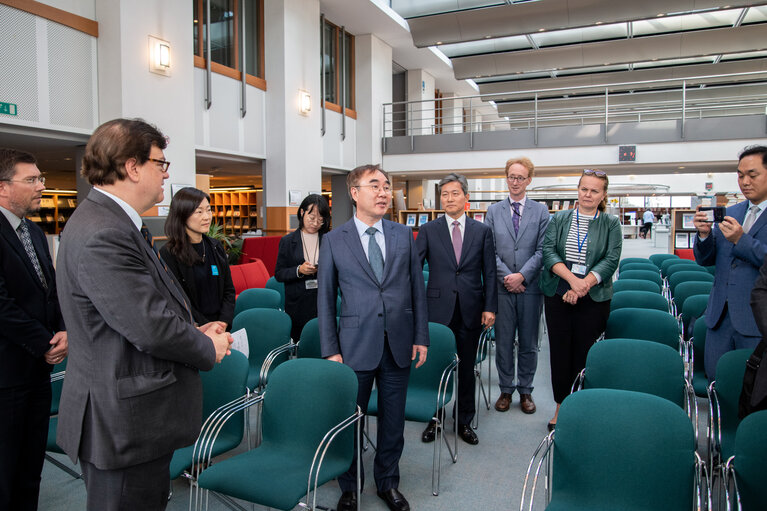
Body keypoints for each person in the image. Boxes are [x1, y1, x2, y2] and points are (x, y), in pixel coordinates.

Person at [55, 118, 232, 511]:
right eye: (161, 164)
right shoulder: (106, 232)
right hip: (123, 419)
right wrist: (206, 345)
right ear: (133, 167)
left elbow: (136, 311)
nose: (165, 174)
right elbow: (150, 328)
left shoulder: (113, 223)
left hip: (128, 410)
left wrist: (191, 327)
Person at [318, 164, 428, 511]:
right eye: (374, 186)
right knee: (350, 419)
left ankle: (388, 482)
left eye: (386, 186)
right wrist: (330, 350)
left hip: (398, 342)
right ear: (354, 193)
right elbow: (324, 300)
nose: (383, 192)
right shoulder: (334, 239)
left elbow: (416, 291)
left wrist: (421, 336)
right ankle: (350, 485)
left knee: (393, 422)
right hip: (353, 345)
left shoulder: (402, 235)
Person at [0, 149, 67, 511]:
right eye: (32, 180)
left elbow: (51, 291)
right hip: (7, 374)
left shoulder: (37, 233)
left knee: (30, 467)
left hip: (38, 372)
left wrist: (64, 330)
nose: (42, 186)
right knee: (5, 469)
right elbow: (2, 305)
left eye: (41, 178)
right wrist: (44, 341)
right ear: (2, 188)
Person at [416, 173, 496, 446]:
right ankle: (434, 418)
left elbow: (490, 273)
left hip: (471, 308)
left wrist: (490, 307)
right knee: (436, 366)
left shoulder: (482, 231)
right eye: (444, 194)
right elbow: (414, 270)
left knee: (465, 367)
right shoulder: (428, 230)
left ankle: (463, 421)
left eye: (454, 193)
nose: (449, 199)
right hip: (437, 309)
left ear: (466, 197)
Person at [540, 169, 622, 431]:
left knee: (585, 354)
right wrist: (572, 282)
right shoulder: (560, 218)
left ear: (603, 195)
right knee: (560, 352)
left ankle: (583, 406)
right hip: (558, 293)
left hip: (594, 297)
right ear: (578, 190)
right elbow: (549, 252)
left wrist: (583, 284)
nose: (587, 194)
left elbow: (610, 259)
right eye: (584, 188)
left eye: (594, 190)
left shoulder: (611, 223)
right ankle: (561, 406)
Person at [693, 145, 767, 382]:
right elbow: (706, 259)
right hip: (719, 319)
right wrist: (704, 235)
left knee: (752, 395)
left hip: (756, 321)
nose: (744, 181)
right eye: (740, 175)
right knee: (718, 386)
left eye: (752, 175)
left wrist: (741, 240)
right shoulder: (731, 211)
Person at [485, 157, 550, 415]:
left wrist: (521, 276)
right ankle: (505, 389)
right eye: (511, 176)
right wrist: (508, 277)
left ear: (529, 181)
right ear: (506, 177)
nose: (515, 182)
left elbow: (543, 250)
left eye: (520, 177)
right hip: (502, 288)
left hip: (531, 287)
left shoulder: (541, 211)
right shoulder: (493, 211)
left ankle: (525, 390)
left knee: (528, 341)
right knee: (503, 341)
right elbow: (489, 250)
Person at [160, 187, 235, 330]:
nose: (207, 217)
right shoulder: (169, 253)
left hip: (221, 327)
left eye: (208, 210)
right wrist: (207, 326)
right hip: (192, 329)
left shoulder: (215, 246)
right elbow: (178, 300)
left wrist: (223, 322)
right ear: (182, 215)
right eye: (199, 212)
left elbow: (229, 290)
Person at [274, 194, 331, 341]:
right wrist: (299, 270)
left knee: (322, 341)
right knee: (301, 342)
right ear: (302, 213)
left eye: (320, 220)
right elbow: (279, 274)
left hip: (322, 301)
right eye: (312, 218)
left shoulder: (329, 239)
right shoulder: (288, 241)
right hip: (297, 303)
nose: (315, 223)